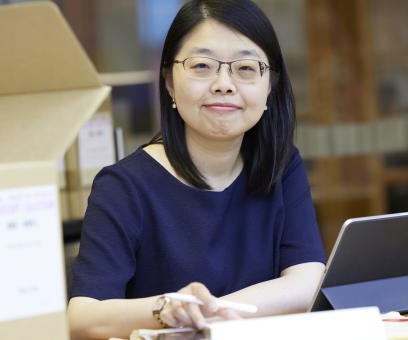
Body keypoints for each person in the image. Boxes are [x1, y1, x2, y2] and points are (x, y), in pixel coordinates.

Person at [67, 0, 326, 339]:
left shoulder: (282, 165)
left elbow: (307, 282)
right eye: (202, 66)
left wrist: (211, 312)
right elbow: (83, 317)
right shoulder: (124, 186)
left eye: (245, 68)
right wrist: (167, 309)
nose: (223, 83)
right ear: (170, 83)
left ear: (270, 88)